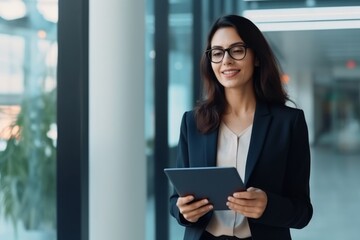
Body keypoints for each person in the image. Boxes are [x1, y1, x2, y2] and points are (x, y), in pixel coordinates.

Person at [169, 15, 313, 240]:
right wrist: (183, 211)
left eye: (236, 50)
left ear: (256, 57)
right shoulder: (193, 122)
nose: (226, 60)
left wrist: (268, 205)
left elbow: (302, 212)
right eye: (217, 53)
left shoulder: (288, 123)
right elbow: (175, 200)